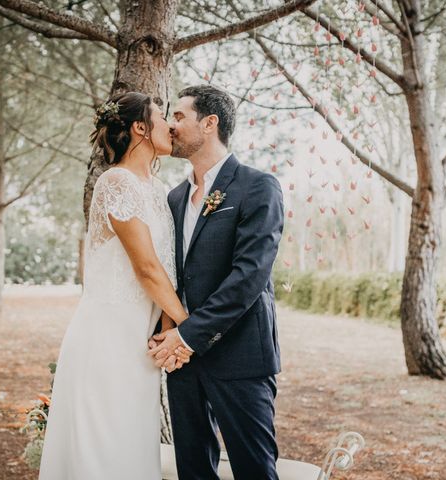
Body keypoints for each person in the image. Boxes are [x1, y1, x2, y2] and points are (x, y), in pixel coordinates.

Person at [37, 91, 191, 480]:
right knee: (103, 446)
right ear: (140, 127)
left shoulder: (158, 190)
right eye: (162, 117)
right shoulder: (116, 182)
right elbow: (147, 269)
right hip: (106, 338)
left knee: (131, 443)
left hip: (141, 342)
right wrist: (191, 326)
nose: (172, 126)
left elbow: (168, 269)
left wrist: (169, 330)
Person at [148, 84, 285, 480]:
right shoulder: (173, 198)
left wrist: (187, 335)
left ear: (210, 123)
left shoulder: (257, 186)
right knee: (192, 469)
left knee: (254, 469)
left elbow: (249, 277)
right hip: (183, 363)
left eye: (179, 117)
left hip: (240, 356)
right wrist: (171, 333)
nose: (171, 126)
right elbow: (172, 274)